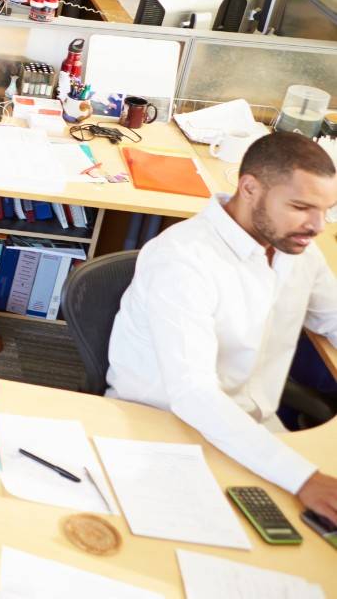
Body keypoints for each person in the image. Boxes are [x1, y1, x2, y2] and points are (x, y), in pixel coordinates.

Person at [107, 132, 337, 523]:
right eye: (301, 207)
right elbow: (194, 394)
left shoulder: (295, 246)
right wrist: (303, 479)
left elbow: (330, 317)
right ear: (249, 189)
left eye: (326, 210)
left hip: (256, 432)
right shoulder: (183, 261)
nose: (317, 226)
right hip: (165, 432)